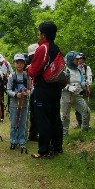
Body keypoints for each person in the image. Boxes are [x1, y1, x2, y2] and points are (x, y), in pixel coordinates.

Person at [27, 21, 63, 158]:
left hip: (44, 87)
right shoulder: (56, 48)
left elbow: (34, 70)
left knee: (43, 118)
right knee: (55, 117)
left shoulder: (43, 48)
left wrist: (29, 68)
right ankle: (57, 148)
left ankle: (44, 150)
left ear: (43, 34)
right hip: (56, 87)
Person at [61, 51, 90, 136]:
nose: (78, 61)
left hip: (77, 95)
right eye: (76, 59)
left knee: (86, 110)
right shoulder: (64, 69)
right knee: (65, 115)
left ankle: (85, 129)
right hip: (66, 95)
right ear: (71, 59)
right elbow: (60, 82)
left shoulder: (78, 70)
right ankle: (64, 133)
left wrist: (85, 84)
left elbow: (81, 81)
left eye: (78, 59)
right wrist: (68, 87)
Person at [7, 54, 29, 150]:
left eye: (21, 62)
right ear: (14, 64)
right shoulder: (12, 77)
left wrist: (27, 93)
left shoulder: (27, 76)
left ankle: (21, 140)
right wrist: (16, 95)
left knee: (23, 122)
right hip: (14, 103)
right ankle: (13, 140)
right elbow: (8, 90)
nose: (19, 65)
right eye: (17, 62)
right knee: (14, 122)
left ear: (24, 64)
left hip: (24, 103)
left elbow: (31, 89)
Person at [74, 52, 93, 129]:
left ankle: (86, 124)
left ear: (84, 60)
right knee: (77, 108)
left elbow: (90, 77)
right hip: (76, 89)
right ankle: (79, 123)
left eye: (81, 59)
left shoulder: (86, 68)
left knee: (85, 106)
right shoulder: (74, 67)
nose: (80, 60)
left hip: (84, 89)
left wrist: (88, 84)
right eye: (79, 59)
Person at [0, 54, 13, 121]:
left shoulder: (7, 63)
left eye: (1, 61)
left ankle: (9, 109)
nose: (1, 62)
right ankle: (0, 115)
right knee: (0, 98)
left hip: (7, 81)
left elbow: (11, 72)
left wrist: (9, 78)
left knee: (10, 95)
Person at [27, 43, 39, 141]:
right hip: (31, 91)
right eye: (31, 55)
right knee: (33, 114)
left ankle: (34, 133)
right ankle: (33, 134)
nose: (32, 56)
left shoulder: (42, 63)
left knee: (38, 113)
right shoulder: (28, 65)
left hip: (38, 90)